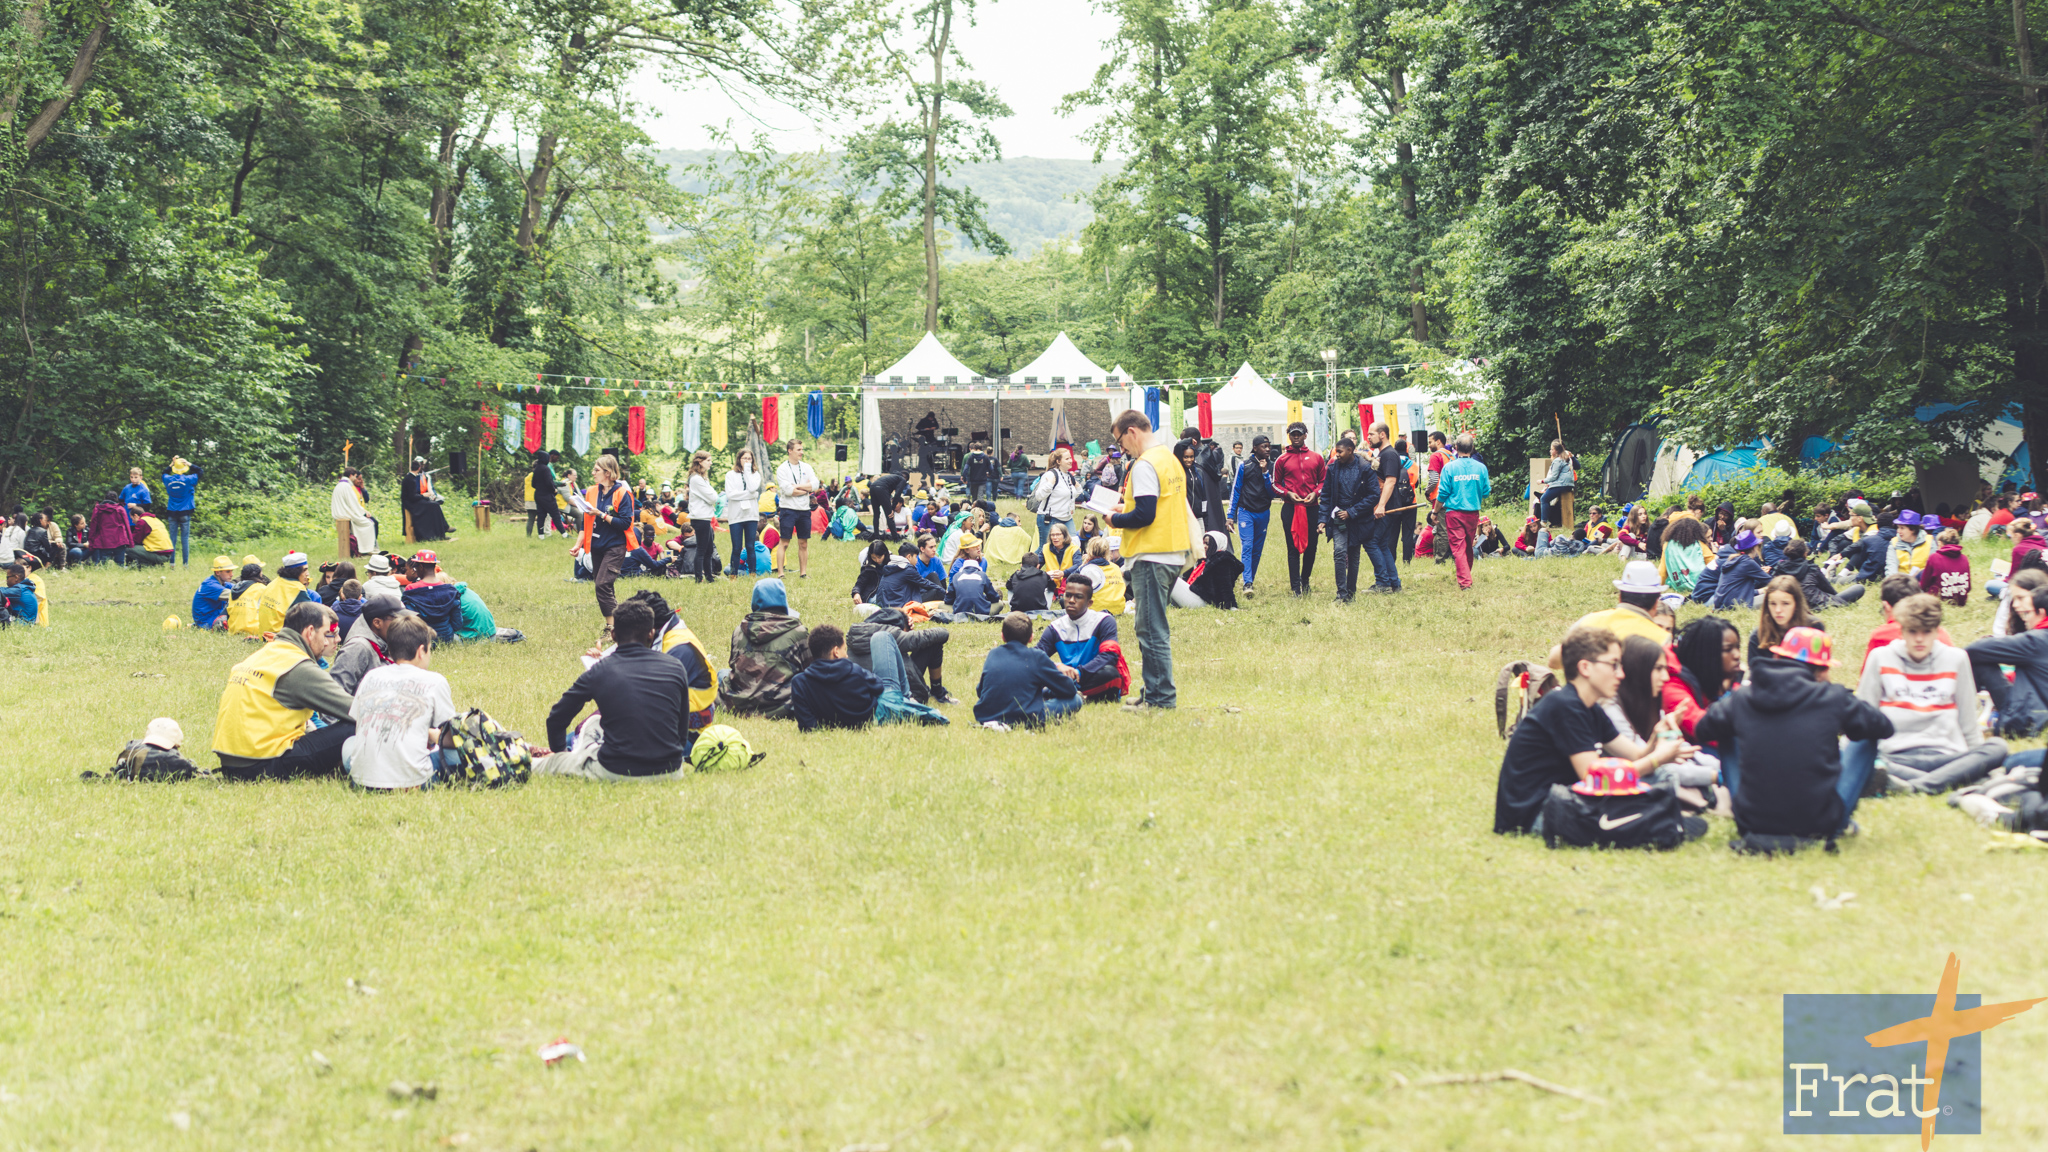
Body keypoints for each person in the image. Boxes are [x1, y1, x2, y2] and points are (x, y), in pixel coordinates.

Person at [1697, 627, 1891, 846]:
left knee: (1726, 729)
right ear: (1822, 671)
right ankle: (1840, 822)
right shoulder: (1832, 697)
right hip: (1821, 823)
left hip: (1753, 822)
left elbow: (1703, 729)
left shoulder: (1743, 697)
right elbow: (1882, 727)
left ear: (1777, 658)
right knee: (1867, 735)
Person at [1494, 627, 1688, 835]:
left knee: (1659, 780)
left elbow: (1636, 756)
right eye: (1614, 665)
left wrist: (1657, 737)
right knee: (1660, 800)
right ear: (1585, 667)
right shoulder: (1565, 706)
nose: (1621, 674)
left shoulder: (1590, 707)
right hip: (1537, 814)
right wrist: (1657, 759)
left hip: (1567, 800)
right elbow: (1594, 778)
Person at [1850, 594, 2005, 794]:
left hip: (1946, 755)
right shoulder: (1880, 657)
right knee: (1859, 757)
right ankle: (1953, 779)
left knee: (1997, 747)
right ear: (1902, 630)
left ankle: (1914, 786)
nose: (1919, 639)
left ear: (1937, 631)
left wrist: (1976, 757)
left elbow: (1967, 722)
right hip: (1895, 755)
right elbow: (1863, 717)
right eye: (1912, 631)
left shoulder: (1956, 659)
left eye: (1927, 631)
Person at [535, 599, 694, 780]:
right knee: (595, 724)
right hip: (671, 771)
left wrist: (560, 754)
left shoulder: (601, 670)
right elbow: (682, 728)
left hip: (616, 770)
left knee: (548, 762)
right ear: (651, 634)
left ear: (613, 635)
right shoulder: (676, 667)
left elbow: (557, 718)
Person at [211, 601, 357, 779]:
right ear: (310, 632)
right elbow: (355, 710)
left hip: (232, 763)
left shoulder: (266, 654)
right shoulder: (297, 665)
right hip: (262, 763)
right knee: (355, 728)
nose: (327, 641)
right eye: (326, 634)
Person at [1108, 409, 1187, 710]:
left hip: (1152, 554)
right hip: (1171, 551)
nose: (1121, 449)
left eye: (1120, 442)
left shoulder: (1144, 464)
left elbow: (1144, 514)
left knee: (1151, 629)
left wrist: (1114, 518)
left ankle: (1160, 698)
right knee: (1152, 626)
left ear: (1131, 431)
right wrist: (1126, 507)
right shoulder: (1168, 458)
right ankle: (1153, 690)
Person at [341, 617, 457, 790]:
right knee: (460, 753)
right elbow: (451, 738)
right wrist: (431, 734)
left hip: (362, 782)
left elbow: (360, 723)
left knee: (349, 743)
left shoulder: (371, 676)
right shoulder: (435, 681)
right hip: (415, 782)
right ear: (421, 651)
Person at [721, 578, 811, 720]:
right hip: (783, 704)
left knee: (722, 674)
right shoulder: (798, 632)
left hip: (741, 702)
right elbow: (809, 668)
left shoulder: (739, 631)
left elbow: (733, 664)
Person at [975, 613, 1084, 727]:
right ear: (1031, 638)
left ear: (1002, 636)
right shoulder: (1037, 657)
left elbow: (980, 691)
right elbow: (1069, 690)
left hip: (987, 717)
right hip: (1026, 718)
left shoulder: (993, 654)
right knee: (1075, 700)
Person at [1967, 585, 2048, 736]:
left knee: (1980, 661)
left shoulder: (2036, 640)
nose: (2024, 619)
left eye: (2027, 613)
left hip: (2029, 720)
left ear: (2041, 613)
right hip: (2040, 706)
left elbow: (1976, 649)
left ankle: (1957, 714)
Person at [575, 453, 637, 634]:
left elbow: (625, 523)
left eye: (596, 470)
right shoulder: (591, 491)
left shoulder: (622, 493)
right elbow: (584, 521)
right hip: (597, 546)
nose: (592, 473)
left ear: (608, 473)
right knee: (604, 585)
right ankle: (620, 625)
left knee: (602, 584)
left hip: (615, 546)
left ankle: (612, 628)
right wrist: (578, 544)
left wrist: (601, 515)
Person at [1038, 576, 1127, 701]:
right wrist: (1057, 666)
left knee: (1111, 675)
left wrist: (1079, 672)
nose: (1071, 600)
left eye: (1078, 597)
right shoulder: (1055, 627)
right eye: (1068, 595)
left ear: (1089, 603)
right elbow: (1035, 657)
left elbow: (1110, 655)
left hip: (1092, 675)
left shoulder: (1104, 621)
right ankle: (1073, 694)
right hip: (1066, 678)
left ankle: (1055, 693)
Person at [788, 623, 886, 731]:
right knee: (883, 637)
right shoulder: (855, 671)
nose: (847, 655)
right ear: (836, 652)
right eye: (844, 649)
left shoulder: (800, 682)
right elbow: (879, 686)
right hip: (869, 718)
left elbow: (807, 725)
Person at [1319, 434, 1375, 603]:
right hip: (1338, 518)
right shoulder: (1333, 468)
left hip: (1358, 519)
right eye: (1336, 452)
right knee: (1339, 552)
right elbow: (1326, 495)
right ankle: (1341, 593)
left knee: (1354, 555)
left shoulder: (1365, 468)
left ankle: (1351, 594)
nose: (1337, 455)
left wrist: (1352, 512)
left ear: (1350, 451)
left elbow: (1374, 495)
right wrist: (1322, 519)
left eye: (1340, 452)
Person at [1271, 422, 1325, 595]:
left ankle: (1305, 580)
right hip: (1291, 508)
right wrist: (1287, 494)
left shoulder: (1316, 458)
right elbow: (1275, 484)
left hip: (1312, 508)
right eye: (1293, 434)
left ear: (1305, 436)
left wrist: (1315, 493)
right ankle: (1295, 587)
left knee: (1311, 547)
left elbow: (1324, 482)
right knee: (1292, 547)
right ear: (1288, 436)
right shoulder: (1282, 459)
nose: (1296, 437)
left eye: (1299, 434)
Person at [1437, 432, 1491, 589]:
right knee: (1467, 546)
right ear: (1472, 448)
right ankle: (1466, 576)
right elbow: (1486, 492)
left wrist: (1435, 511)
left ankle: (1465, 581)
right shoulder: (1481, 468)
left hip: (1454, 512)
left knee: (1458, 547)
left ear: (1455, 447)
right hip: (1473, 513)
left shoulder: (1449, 467)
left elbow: (1443, 493)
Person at [1365, 422, 1411, 590]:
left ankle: (1383, 582)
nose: (1368, 437)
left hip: (1386, 507)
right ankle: (1393, 582)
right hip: (1384, 506)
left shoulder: (1389, 454)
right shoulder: (1383, 454)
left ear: (1382, 434)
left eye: (1371, 434)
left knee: (1372, 542)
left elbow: (1390, 481)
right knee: (1382, 544)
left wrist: (1381, 506)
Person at [1229, 435, 1275, 596]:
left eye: (1268, 446)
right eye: (1264, 446)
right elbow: (1236, 490)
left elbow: (1272, 493)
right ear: (1255, 448)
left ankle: (1250, 581)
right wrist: (1230, 516)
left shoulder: (1272, 466)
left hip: (1263, 512)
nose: (1267, 449)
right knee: (1247, 546)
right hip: (1246, 511)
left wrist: (1265, 473)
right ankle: (1247, 582)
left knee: (1257, 549)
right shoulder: (1244, 465)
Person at [1747, 575, 1822, 664]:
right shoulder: (1758, 636)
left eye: (1785, 603)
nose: (1778, 610)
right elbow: (1754, 670)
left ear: (1796, 604)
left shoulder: (1814, 627)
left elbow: (1819, 668)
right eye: (1773, 604)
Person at [773, 439, 820, 579]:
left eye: (802, 449)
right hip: (788, 509)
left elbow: (815, 485)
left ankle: (803, 573)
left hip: (804, 509)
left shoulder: (806, 467)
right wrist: (806, 489)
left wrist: (797, 486)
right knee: (784, 542)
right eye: (799, 449)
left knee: (803, 543)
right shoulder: (782, 469)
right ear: (790, 451)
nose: (802, 452)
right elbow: (788, 491)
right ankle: (781, 574)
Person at [399, 549, 463, 640]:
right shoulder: (450, 590)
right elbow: (458, 623)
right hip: (447, 637)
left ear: (421, 567)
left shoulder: (411, 589)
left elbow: (409, 621)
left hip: (422, 639)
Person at [723, 447, 765, 575]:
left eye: (749, 458)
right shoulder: (730, 475)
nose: (747, 461)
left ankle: (752, 574)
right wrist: (751, 495)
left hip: (751, 515)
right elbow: (731, 495)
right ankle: (733, 575)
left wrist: (747, 471)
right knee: (736, 547)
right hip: (736, 516)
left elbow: (752, 488)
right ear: (739, 459)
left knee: (750, 546)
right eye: (744, 458)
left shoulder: (755, 475)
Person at [254, 551, 318, 635]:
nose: (308, 574)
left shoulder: (274, 582)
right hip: (280, 637)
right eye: (304, 570)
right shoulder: (298, 588)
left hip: (263, 634)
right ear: (296, 571)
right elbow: (312, 615)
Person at [1176, 439, 1228, 538]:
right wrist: (1189, 440)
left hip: (1198, 517)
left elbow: (1203, 497)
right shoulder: (1179, 470)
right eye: (1186, 457)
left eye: (1191, 457)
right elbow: (1177, 447)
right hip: (1184, 517)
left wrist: (1205, 520)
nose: (1189, 460)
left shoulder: (1198, 472)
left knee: (1201, 544)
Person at [1711, 529, 1770, 610]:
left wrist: (1761, 590)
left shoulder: (1732, 560)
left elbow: (1738, 589)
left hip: (1721, 606)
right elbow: (1771, 581)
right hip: (1736, 607)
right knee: (1772, 597)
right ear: (1754, 547)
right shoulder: (1748, 562)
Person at [160, 456, 200, 565]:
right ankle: (185, 564)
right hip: (185, 512)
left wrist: (171, 464)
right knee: (184, 539)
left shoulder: (168, 479)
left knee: (172, 539)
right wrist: (189, 463)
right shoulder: (188, 479)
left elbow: (164, 473)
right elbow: (200, 471)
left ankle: (172, 564)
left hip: (172, 511)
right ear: (184, 468)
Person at [401, 456, 452, 542]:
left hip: (413, 501)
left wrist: (424, 496)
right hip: (411, 504)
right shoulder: (410, 479)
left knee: (434, 505)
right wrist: (423, 496)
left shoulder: (411, 478)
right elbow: (412, 497)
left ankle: (441, 532)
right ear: (419, 468)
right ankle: (435, 534)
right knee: (434, 506)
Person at [1918, 527, 1971, 605]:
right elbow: (1968, 588)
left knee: (1920, 574)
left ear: (1940, 543)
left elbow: (1924, 585)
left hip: (1937, 601)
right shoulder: (1964, 558)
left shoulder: (1934, 557)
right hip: (1961, 601)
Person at [332, 467, 376, 558]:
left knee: (366, 522)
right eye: (355, 476)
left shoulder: (339, 485)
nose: (355, 478)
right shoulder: (347, 486)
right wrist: (364, 513)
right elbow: (353, 504)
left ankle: (360, 548)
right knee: (369, 524)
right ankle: (365, 549)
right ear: (351, 475)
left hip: (340, 512)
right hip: (344, 513)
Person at [1659, 515, 1710, 593]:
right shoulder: (1699, 544)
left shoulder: (1668, 545)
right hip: (1699, 585)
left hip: (1678, 585)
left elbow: (1662, 571)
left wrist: (1657, 586)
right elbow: (1712, 562)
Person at [191, 555, 236, 630]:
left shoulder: (223, 583)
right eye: (228, 571)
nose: (232, 574)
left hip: (212, 617)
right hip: (207, 622)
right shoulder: (210, 585)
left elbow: (239, 588)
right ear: (217, 572)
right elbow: (237, 595)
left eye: (232, 571)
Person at [1538, 440, 1575, 526]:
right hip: (1569, 484)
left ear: (1557, 451)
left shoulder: (1558, 460)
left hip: (1561, 484)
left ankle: (1543, 521)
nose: (1550, 451)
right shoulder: (1568, 459)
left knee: (1544, 499)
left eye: (1552, 449)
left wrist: (1542, 481)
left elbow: (1554, 477)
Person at [527, 451, 558, 538]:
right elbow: (548, 483)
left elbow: (533, 485)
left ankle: (529, 535)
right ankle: (547, 532)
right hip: (539, 498)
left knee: (531, 519)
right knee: (546, 517)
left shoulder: (528, 476)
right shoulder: (542, 472)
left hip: (529, 500)